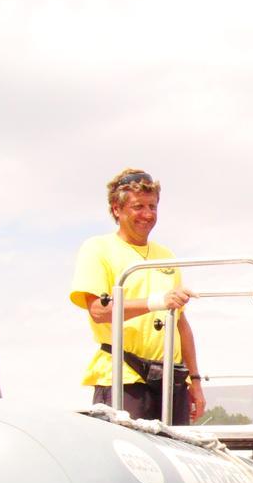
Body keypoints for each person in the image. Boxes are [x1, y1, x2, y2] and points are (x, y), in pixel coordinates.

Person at [69, 169, 205, 425]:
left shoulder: (166, 255)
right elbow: (98, 311)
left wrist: (195, 381)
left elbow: (181, 324)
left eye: (152, 206)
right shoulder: (98, 248)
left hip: (170, 379)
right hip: (124, 377)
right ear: (117, 210)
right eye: (138, 206)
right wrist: (157, 301)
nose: (148, 214)